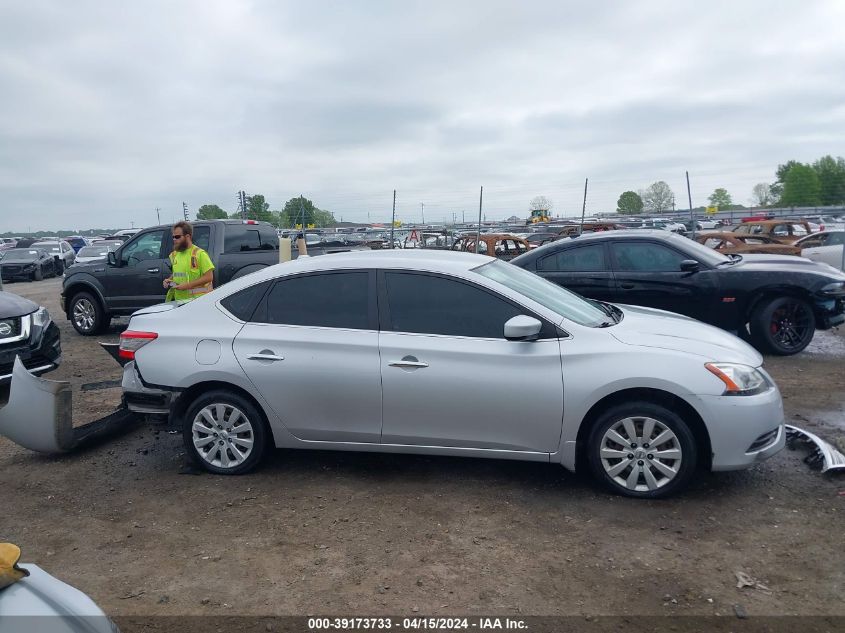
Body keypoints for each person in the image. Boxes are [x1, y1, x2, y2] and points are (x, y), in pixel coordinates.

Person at [163, 221, 214, 301]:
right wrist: (169, 280)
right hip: (179, 301)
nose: (174, 239)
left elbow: (209, 277)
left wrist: (187, 285)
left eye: (177, 237)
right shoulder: (174, 255)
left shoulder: (200, 254)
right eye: (173, 237)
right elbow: (178, 274)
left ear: (187, 237)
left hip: (198, 301)